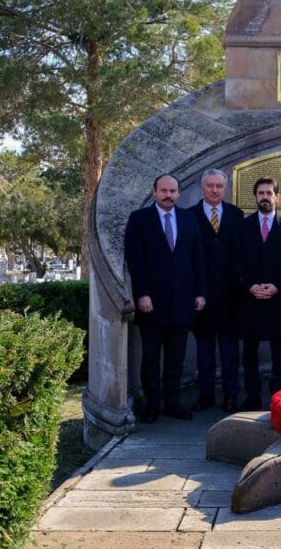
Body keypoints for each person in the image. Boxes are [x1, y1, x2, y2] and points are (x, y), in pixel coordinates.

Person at [123, 173, 207, 424]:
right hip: (151, 303)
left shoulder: (188, 218)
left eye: (172, 191)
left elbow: (198, 257)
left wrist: (200, 292)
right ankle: (152, 406)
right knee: (151, 359)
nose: (168, 195)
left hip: (182, 302)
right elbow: (135, 259)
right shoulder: (139, 219)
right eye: (164, 191)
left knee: (176, 358)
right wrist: (142, 294)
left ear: (178, 193)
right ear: (155, 192)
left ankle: (173, 403)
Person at [233, 176, 281, 411]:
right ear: (255, 197)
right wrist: (249, 285)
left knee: (279, 351)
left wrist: (278, 286)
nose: (265, 197)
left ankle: (279, 397)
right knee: (250, 351)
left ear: (277, 197)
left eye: (269, 193)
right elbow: (236, 262)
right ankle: (252, 396)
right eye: (261, 193)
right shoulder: (243, 226)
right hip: (249, 298)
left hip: (277, 298)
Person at [188, 169, 245, 413]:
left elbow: (241, 255)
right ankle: (205, 395)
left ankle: (231, 396)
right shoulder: (189, 215)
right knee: (204, 351)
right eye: (210, 185)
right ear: (202, 187)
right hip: (201, 297)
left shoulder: (236, 214)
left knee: (230, 351)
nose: (214, 190)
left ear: (225, 188)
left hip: (230, 297)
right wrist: (196, 292)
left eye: (219, 186)